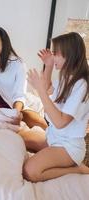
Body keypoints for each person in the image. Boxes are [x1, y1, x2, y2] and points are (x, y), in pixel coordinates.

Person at [20, 32, 89, 182]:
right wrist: (49, 65)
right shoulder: (66, 78)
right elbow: (49, 88)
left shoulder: (81, 85)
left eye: (55, 53)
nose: (53, 56)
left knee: (29, 172)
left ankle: (77, 169)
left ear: (69, 54)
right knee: (20, 139)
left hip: (69, 147)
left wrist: (39, 89)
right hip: (54, 138)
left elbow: (60, 121)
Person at [0, 27, 47, 128]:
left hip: (10, 106)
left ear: (3, 41)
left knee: (36, 120)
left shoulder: (18, 64)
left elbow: (19, 94)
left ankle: (54, 134)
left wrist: (15, 113)